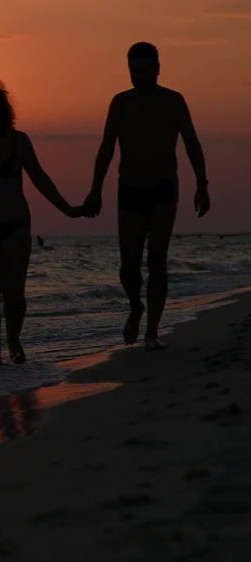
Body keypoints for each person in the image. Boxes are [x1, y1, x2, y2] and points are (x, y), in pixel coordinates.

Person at [83, 42, 209, 350]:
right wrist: (95, 190)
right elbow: (106, 149)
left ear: (156, 69)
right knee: (128, 263)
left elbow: (192, 143)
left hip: (163, 188)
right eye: (132, 70)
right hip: (129, 189)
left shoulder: (173, 101)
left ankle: (152, 331)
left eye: (143, 69)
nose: (137, 75)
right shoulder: (120, 103)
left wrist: (202, 183)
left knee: (157, 260)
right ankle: (135, 307)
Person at [0, 81, 81, 366]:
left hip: (16, 225)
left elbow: (40, 178)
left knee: (15, 296)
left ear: (2, 110)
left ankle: (13, 339)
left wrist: (66, 208)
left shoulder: (20, 142)